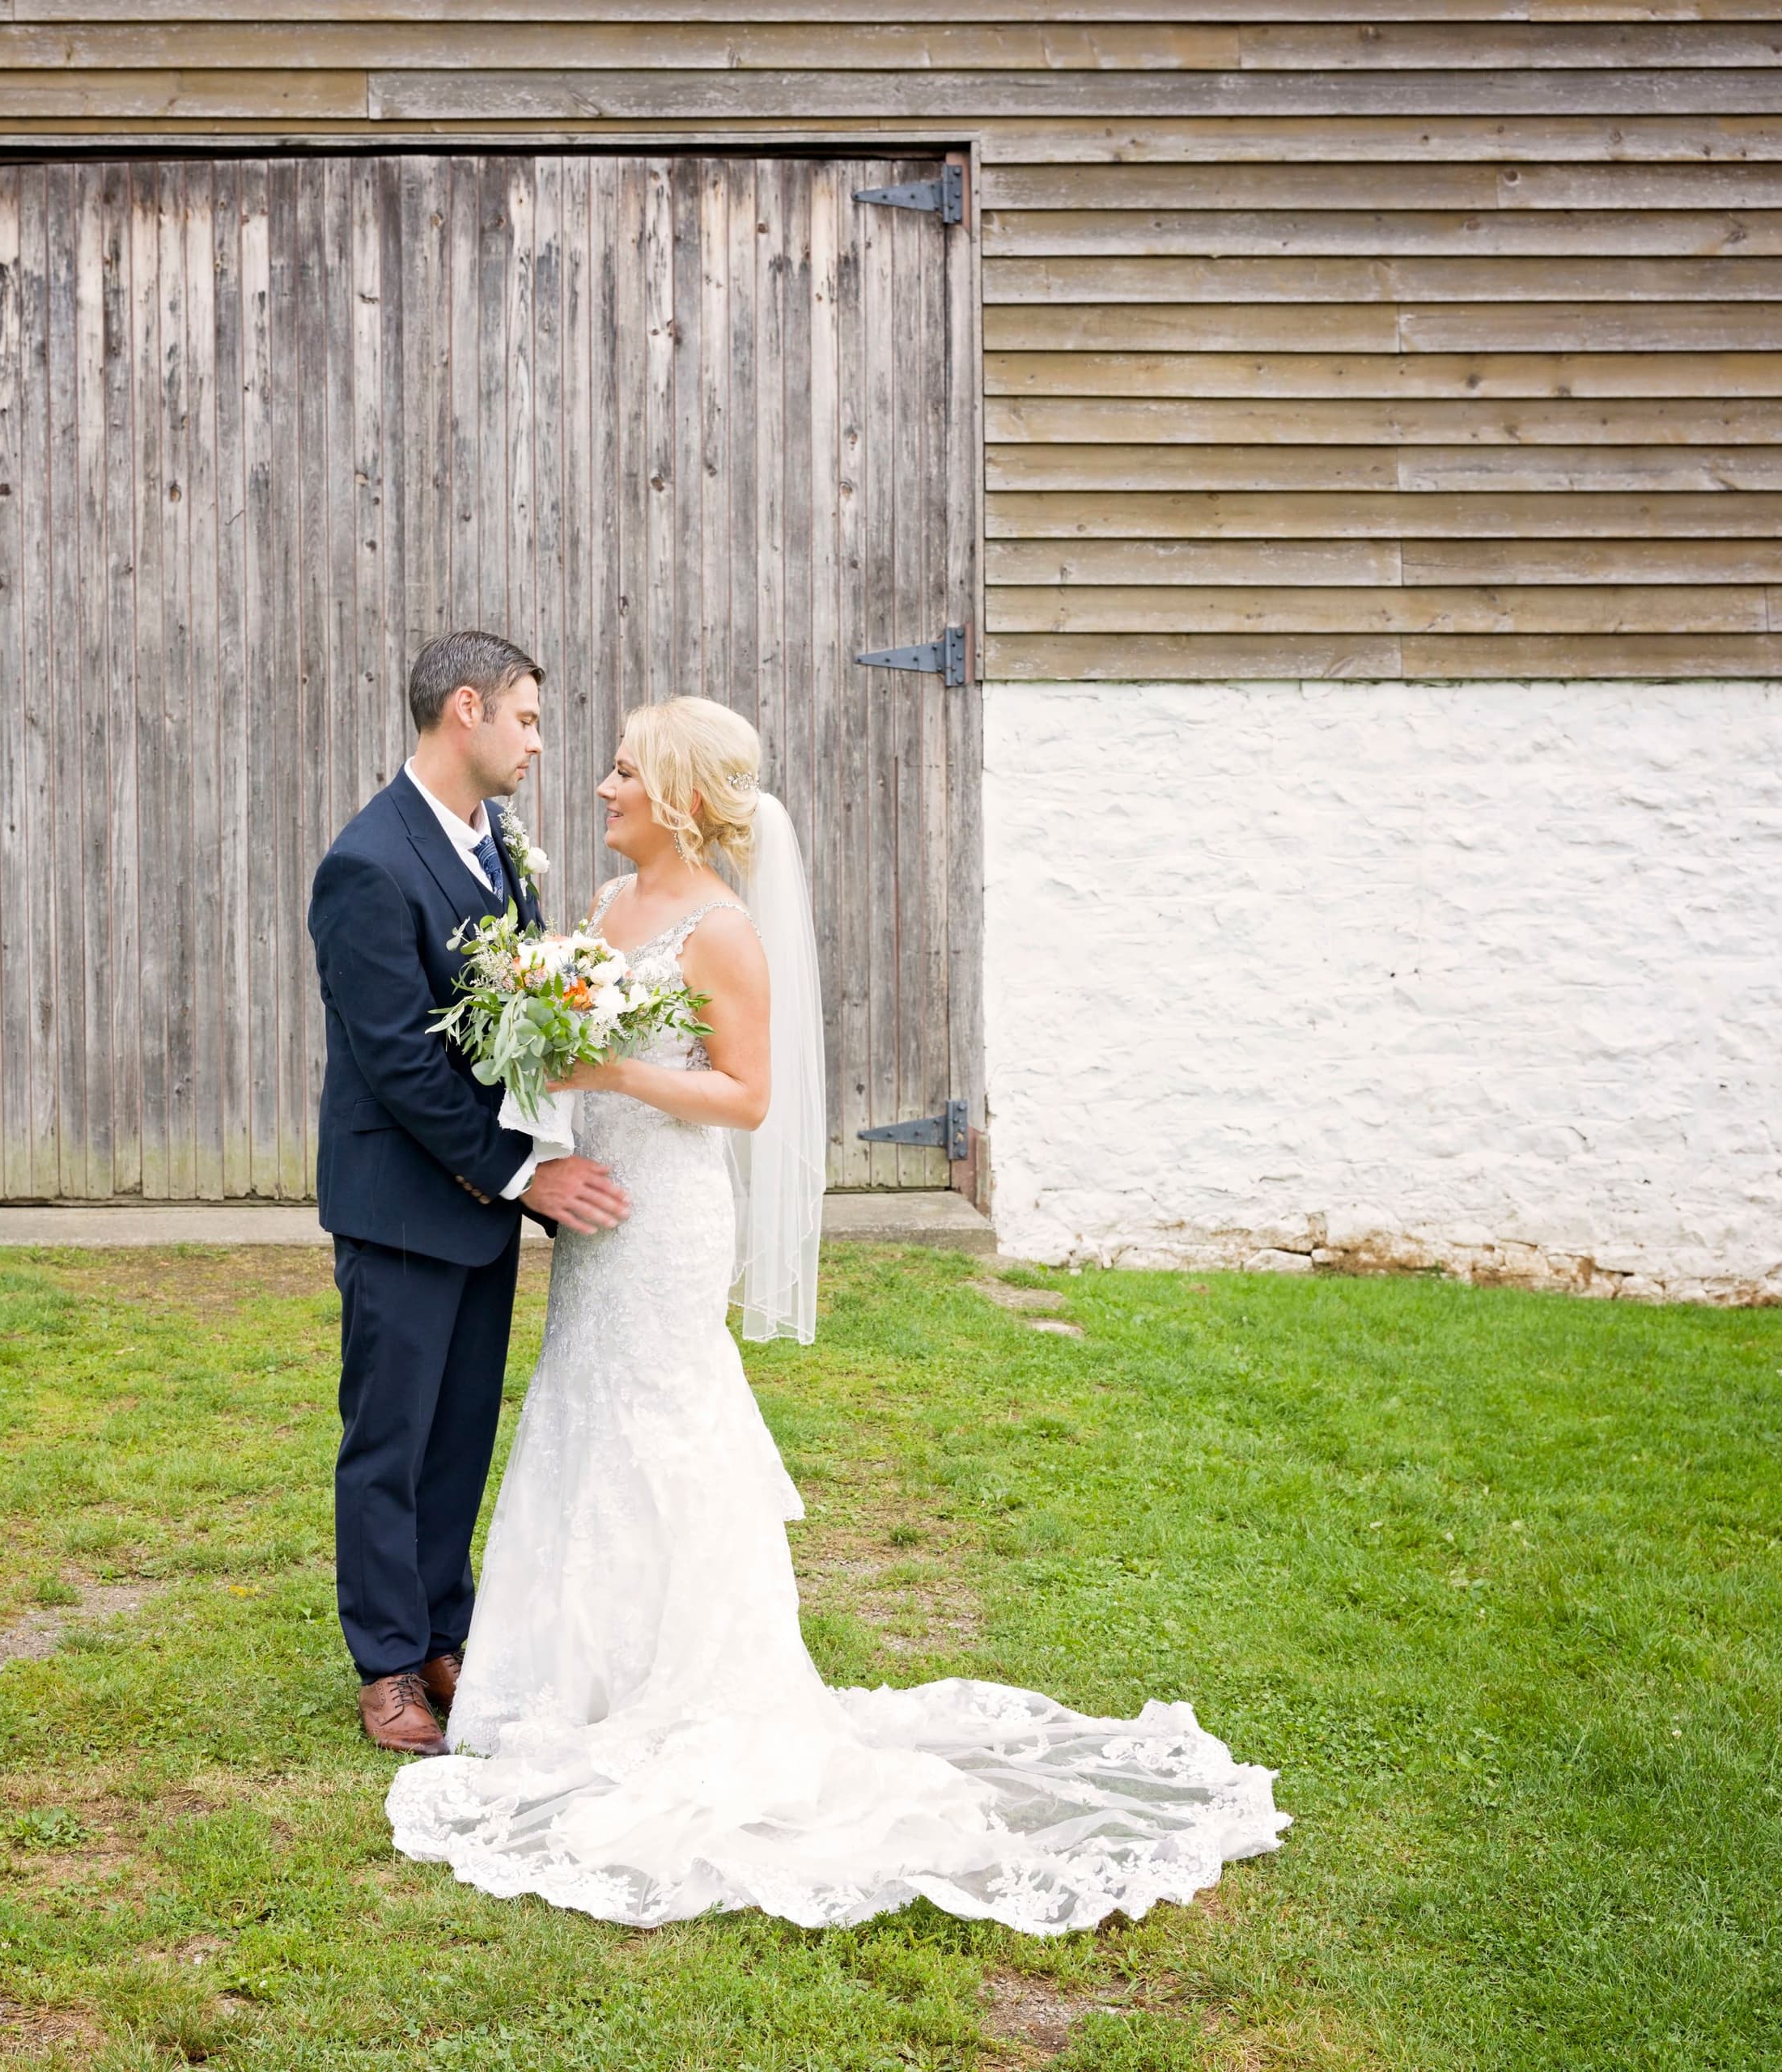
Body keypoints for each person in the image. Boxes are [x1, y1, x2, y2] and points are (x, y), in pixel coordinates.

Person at [384, 695, 1290, 1934]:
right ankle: (570, 1680)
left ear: (680, 797)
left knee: (667, 1418)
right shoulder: (596, 914)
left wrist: (607, 1068)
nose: (597, 787)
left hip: (672, 1219)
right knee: (584, 1410)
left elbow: (747, 1098)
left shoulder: (724, 931)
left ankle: (699, 1681)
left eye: (621, 770)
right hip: (596, 1215)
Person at [306, 630, 632, 1759]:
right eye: (527, 719)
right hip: (403, 1200)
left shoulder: (499, 843)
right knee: (388, 1439)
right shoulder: (369, 862)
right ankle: (388, 1665)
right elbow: (398, 1062)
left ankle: (449, 1627)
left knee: (457, 1436)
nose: (540, 742)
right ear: (465, 712)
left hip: (484, 1206)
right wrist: (523, 1174)